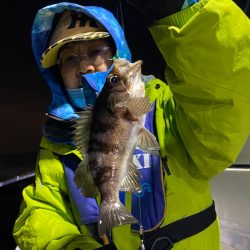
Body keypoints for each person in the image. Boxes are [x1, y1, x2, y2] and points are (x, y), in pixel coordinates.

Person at [13, 0, 250, 249]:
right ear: (56, 73)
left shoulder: (168, 106)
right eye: (70, 59)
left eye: (96, 52)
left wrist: (187, 14)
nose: (84, 66)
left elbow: (221, 97)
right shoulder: (55, 140)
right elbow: (41, 209)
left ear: (118, 54)